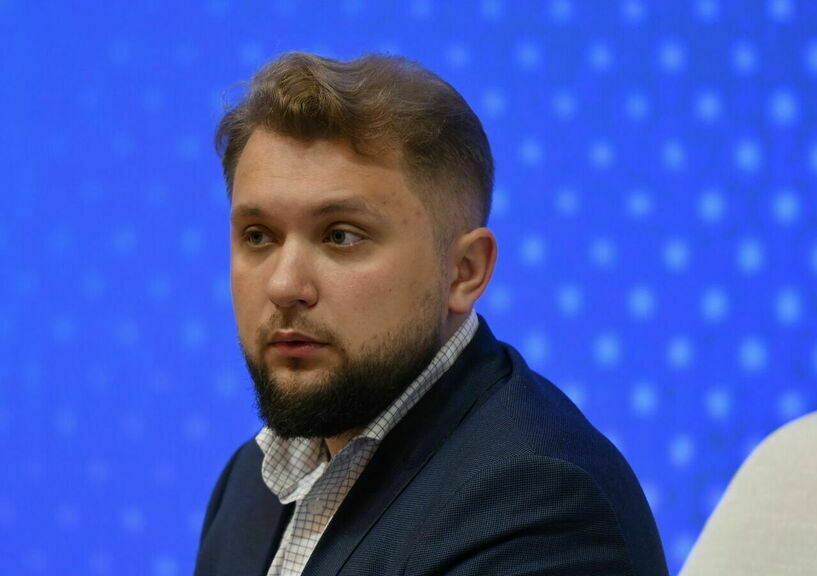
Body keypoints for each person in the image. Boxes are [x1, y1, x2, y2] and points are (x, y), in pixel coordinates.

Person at [194, 51, 668, 576]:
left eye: (341, 236)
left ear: (465, 271)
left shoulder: (540, 507)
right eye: (258, 236)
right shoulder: (250, 482)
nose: (284, 286)